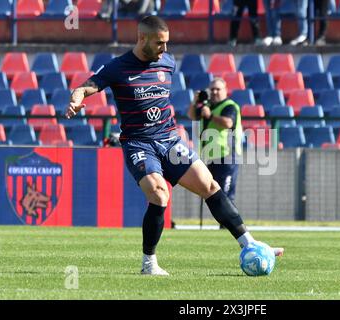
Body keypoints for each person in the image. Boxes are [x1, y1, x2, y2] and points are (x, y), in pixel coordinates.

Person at [65, 15, 283, 276]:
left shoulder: (167, 62)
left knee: (210, 186)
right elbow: (87, 86)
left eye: (167, 43)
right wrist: (76, 99)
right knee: (159, 194)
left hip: (169, 139)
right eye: (159, 43)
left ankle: (250, 244)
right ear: (142, 38)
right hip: (139, 143)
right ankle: (149, 263)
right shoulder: (118, 67)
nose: (165, 49)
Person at [187, 78, 243, 223]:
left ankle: (230, 226)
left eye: (218, 89)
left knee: (225, 194)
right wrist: (195, 101)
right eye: (212, 89)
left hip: (227, 156)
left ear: (225, 90)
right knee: (214, 193)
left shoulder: (230, 106)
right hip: (211, 156)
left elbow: (228, 122)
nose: (214, 92)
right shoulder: (207, 106)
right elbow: (192, 115)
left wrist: (210, 115)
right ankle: (225, 225)